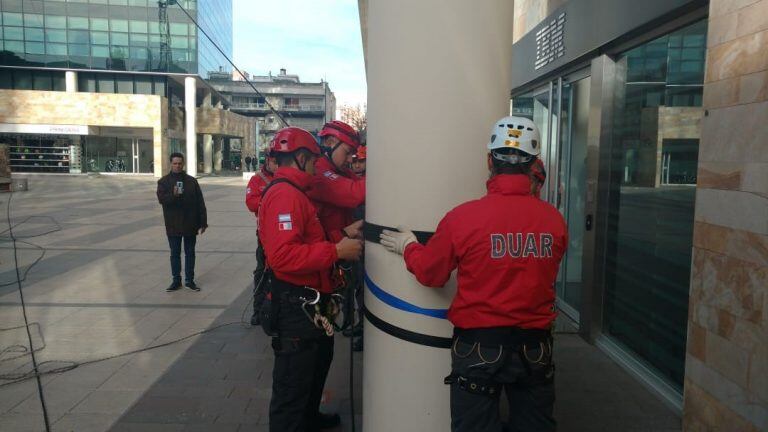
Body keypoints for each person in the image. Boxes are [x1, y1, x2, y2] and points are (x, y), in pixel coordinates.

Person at [379, 116, 568, 432]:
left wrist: (409, 246)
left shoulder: (463, 218)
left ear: (489, 161)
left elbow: (431, 273)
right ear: (535, 163)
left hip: (479, 348)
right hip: (535, 348)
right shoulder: (554, 221)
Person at [258, 126, 363, 432]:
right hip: (295, 307)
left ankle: (309, 418)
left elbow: (306, 242)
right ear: (302, 157)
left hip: (311, 305)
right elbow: (284, 257)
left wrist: (342, 235)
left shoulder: (296, 194)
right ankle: (298, 421)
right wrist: (336, 251)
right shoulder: (285, 196)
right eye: (315, 161)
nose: (318, 167)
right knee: (292, 387)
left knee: (315, 368)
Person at [157, 152, 208, 292]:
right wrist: (173, 195)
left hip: (190, 224)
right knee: (175, 253)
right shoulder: (163, 182)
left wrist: (203, 222)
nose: (177, 166)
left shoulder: (192, 181)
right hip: (173, 224)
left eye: (180, 163)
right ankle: (176, 280)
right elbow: (162, 200)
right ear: (170, 164)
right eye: (175, 163)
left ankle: (189, 280)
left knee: (190, 253)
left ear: (183, 164)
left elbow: (200, 202)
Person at [245, 150, 278, 325]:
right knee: (262, 272)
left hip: (281, 233)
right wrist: (272, 202)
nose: (276, 165)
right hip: (264, 234)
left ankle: (278, 309)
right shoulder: (257, 179)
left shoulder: (285, 178)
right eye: (273, 161)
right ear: (267, 162)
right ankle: (258, 310)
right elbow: (251, 202)